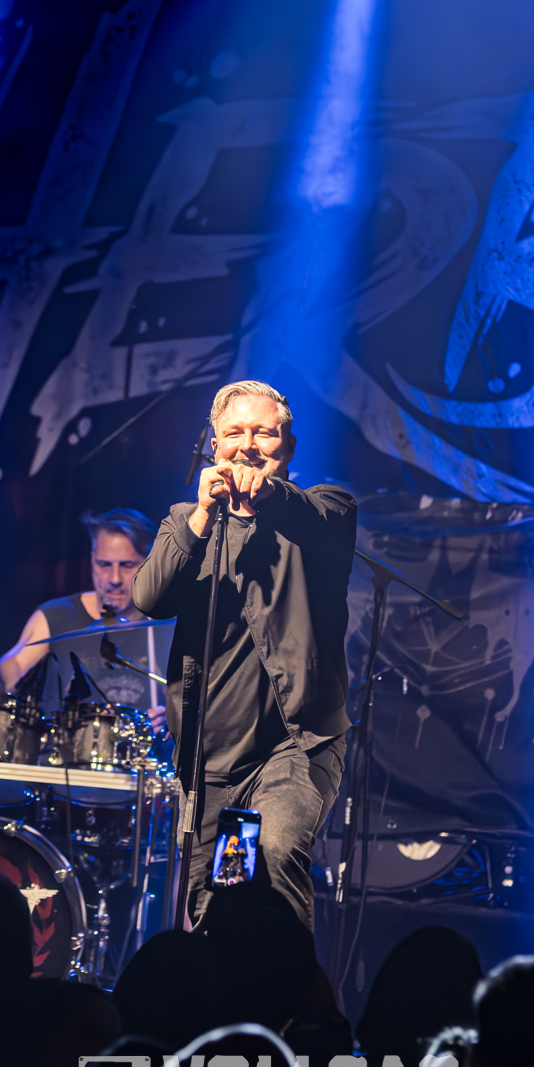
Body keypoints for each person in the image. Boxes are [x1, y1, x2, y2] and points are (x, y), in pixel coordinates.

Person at [131, 379, 356, 929]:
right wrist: (201, 519)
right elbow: (150, 598)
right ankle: (233, 984)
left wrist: (265, 497)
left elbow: (314, 518)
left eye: (263, 433)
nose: (248, 445)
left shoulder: (325, 510)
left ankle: (292, 985)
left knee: (273, 857)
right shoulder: (186, 522)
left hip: (294, 748)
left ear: (289, 446)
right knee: (222, 902)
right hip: (214, 763)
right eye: (234, 433)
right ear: (214, 446)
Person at [0, 507, 173, 723]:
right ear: (92, 559)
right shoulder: (57, 616)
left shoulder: (170, 625)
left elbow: (192, 708)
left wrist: (174, 724)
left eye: (127, 566)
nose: (114, 579)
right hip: (64, 743)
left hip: (145, 744)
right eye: (104, 565)